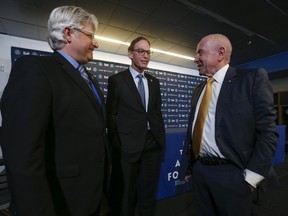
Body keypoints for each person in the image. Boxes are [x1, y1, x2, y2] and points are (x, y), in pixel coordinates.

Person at [0, 6, 108, 216]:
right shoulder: (35, 68)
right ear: (68, 33)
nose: (96, 42)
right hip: (59, 202)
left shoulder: (89, 78)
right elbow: (22, 153)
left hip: (89, 198)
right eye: (90, 35)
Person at [185, 33, 278, 216]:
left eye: (200, 52)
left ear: (220, 53)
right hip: (201, 173)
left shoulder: (251, 79)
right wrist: (190, 167)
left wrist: (250, 179)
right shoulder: (199, 89)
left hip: (234, 176)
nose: (195, 58)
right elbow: (194, 129)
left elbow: (267, 132)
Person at [106, 36, 166, 216]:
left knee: (148, 193)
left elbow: (156, 112)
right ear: (130, 54)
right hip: (128, 146)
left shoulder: (154, 82)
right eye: (141, 51)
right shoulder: (117, 80)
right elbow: (111, 115)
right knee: (127, 195)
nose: (146, 55)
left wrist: (159, 138)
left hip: (152, 145)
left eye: (148, 52)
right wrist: (118, 144)